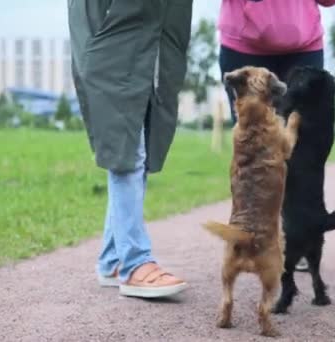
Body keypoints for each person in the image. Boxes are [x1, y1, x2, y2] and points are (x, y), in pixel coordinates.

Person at [68, 0, 193, 298]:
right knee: (127, 152)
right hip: (114, 43)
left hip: (152, 44)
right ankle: (135, 263)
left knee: (139, 151)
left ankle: (113, 260)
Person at [217, 0, 335, 272]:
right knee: (254, 153)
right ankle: (251, 239)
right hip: (244, 44)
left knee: (303, 152)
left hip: (304, 44)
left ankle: (298, 237)